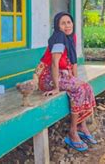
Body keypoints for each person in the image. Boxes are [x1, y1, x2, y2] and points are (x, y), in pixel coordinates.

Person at [37, 12, 97, 152]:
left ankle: (82, 126)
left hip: (64, 75)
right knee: (80, 89)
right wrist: (57, 87)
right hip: (48, 77)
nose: (67, 25)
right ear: (58, 26)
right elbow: (54, 64)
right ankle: (72, 131)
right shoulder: (58, 37)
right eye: (63, 23)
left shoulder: (71, 38)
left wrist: (75, 80)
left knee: (86, 87)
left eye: (69, 22)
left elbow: (73, 61)